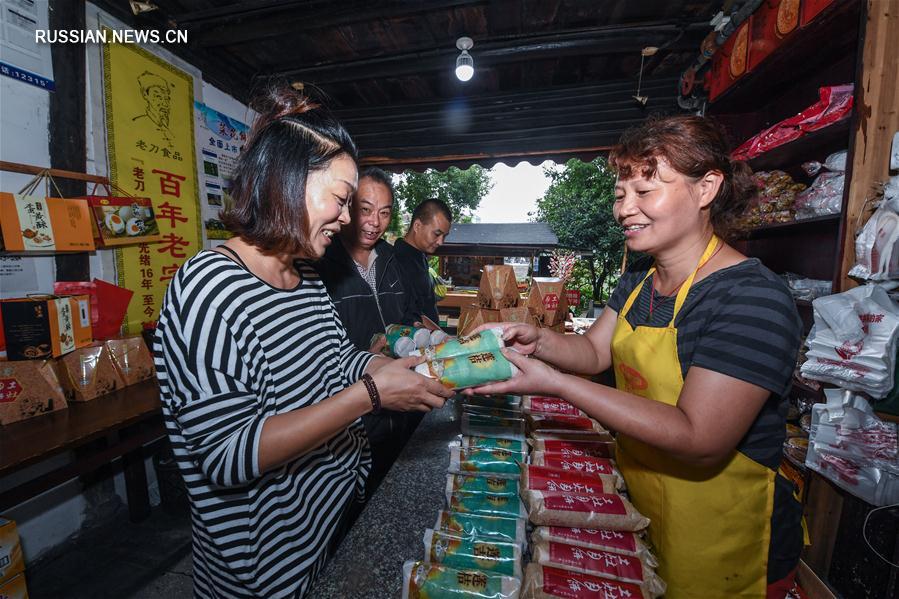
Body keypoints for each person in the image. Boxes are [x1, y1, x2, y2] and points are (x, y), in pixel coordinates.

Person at [470, 116, 804, 599]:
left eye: (645, 192)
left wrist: (556, 383)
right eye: (620, 194)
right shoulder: (639, 280)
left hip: (725, 543)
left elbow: (699, 436)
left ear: (707, 188)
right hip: (640, 509)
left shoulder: (752, 299)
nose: (624, 209)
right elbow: (592, 350)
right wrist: (536, 339)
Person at [153, 88, 451, 599]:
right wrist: (372, 395)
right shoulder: (209, 288)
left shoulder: (306, 274)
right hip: (266, 565)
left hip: (328, 524)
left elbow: (337, 360)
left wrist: (403, 363)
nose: (349, 219)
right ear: (285, 183)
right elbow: (228, 455)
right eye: (340, 200)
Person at [316, 166, 417, 493]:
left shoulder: (392, 260)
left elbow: (408, 317)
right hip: (349, 423)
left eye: (384, 213)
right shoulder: (320, 263)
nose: (375, 222)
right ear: (346, 208)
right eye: (365, 210)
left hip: (398, 411)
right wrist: (365, 359)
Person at [393, 198, 452, 324]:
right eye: (437, 234)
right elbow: (409, 315)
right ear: (417, 226)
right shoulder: (398, 260)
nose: (441, 242)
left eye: (444, 236)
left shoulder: (419, 256)